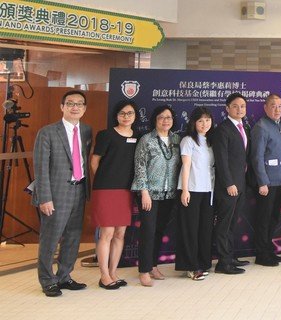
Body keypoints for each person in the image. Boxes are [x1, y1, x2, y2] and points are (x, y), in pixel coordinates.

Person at [32, 90, 92, 297]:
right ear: (62, 107)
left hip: (79, 189)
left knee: (73, 237)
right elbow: (40, 168)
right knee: (50, 238)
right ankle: (47, 280)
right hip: (55, 193)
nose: (75, 107)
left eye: (79, 104)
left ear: (84, 108)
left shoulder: (86, 131)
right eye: (70, 103)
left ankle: (65, 276)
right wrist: (44, 197)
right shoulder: (47, 132)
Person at [90, 100, 138, 290]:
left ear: (135, 116)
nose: (126, 116)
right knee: (107, 233)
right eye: (123, 113)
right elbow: (94, 162)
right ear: (116, 116)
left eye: (130, 113)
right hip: (106, 190)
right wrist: (103, 181)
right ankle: (103, 275)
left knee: (120, 233)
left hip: (126, 190)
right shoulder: (106, 135)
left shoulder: (138, 136)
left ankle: (113, 272)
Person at [132, 105, 181, 287]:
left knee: (159, 231)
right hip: (149, 194)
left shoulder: (177, 139)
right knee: (148, 231)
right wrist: (143, 192)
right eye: (161, 117)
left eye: (168, 117)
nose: (165, 121)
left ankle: (153, 265)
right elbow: (140, 167)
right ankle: (143, 270)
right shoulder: (146, 140)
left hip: (169, 194)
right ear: (155, 120)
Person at [209, 93, 251, 274]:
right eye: (235, 106)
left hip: (241, 184)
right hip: (229, 186)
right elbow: (221, 160)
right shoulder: (222, 129)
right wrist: (229, 183)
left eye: (242, 106)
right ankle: (223, 263)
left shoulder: (245, 127)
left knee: (233, 223)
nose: (239, 109)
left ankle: (230, 256)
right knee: (224, 224)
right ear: (227, 108)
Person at [249, 94, 281, 266]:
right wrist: (262, 182)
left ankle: (268, 249)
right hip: (267, 182)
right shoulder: (261, 127)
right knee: (263, 218)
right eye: (273, 106)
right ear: (265, 108)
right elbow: (257, 157)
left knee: (274, 218)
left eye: (280, 106)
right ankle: (261, 254)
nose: (277, 109)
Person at [176, 107, 215, 281]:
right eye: (200, 121)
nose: (204, 124)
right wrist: (184, 190)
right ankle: (190, 267)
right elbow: (186, 166)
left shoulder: (211, 141)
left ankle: (203, 263)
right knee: (190, 229)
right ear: (193, 123)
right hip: (191, 189)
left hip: (208, 190)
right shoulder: (188, 141)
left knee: (205, 229)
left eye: (207, 120)